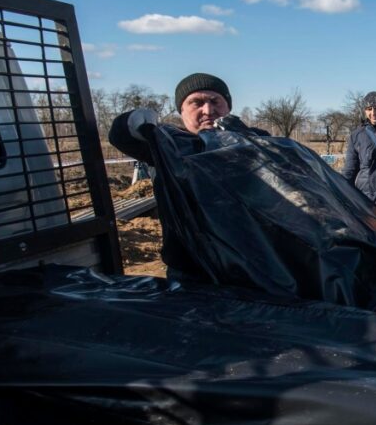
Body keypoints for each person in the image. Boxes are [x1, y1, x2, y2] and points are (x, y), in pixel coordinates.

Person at [109, 72, 268, 282]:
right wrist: (132, 121)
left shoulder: (256, 142)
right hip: (191, 271)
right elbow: (121, 137)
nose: (208, 110)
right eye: (196, 103)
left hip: (257, 269)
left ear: (228, 107)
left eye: (215, 101)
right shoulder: (168, 147)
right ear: (181, 111)